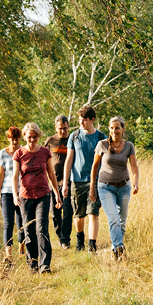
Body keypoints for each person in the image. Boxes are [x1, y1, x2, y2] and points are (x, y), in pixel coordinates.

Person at [13, 122, 63, 273]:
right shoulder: (19, 154)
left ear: (39, 136)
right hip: (25, 197)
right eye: (30, 137)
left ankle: (45, 264)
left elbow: (51, 174)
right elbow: (15, 176)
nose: (32, 140)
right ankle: (32, 263)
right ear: (25, 137)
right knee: (28, 230)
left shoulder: (45, 152)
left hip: (43, 195)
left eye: (35, 137)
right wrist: (15, 195)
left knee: (42, 228)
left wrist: (57, 194)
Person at [90, 115, 139, 261]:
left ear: (123, 129)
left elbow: (134, 168)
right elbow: (94, 167)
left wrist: (136, 182)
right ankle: (119, 248)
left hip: (124, 187)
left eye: (117, 128)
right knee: (114, 219)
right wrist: (92, 187)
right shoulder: (102, 145)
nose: (114, 131)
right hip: (105, 187)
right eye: (111, 128)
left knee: (122, 221)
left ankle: (114, 247)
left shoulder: (129, 146)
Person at [64, 105, 106, 252]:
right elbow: (69, 160)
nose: (81, 123)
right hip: (77, 180)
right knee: (79, 214)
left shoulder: (101, 138)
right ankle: (80, 238)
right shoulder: (74, 136)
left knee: (93, 212)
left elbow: (107, 160)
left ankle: (91, 244)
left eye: (84, 120)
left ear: (92, 120)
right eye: (80, 120)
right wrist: (66, 182)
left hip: (95, 181)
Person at [0, 127, 24, 260]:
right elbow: (0, 176)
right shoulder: (2, 154)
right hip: (6, 192)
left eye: (17, 139)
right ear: (8, 138)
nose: (14, 142)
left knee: (22, 221)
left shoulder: (24, 152)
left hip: (22, 191)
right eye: (12, 139)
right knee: (8, 223)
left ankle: (21, 247)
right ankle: (8, 253)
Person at [45, 115, 71, 246]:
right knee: (55, 213)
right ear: (56, 128)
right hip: (53, 183)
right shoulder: (50, 141)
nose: (63, 131)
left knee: (67, 211)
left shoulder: (72, 140)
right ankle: (59, 235)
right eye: (60, 128)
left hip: (68, 182)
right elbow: (43, 158)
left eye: (65, 128)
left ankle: (65, 240)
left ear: (68, 127)